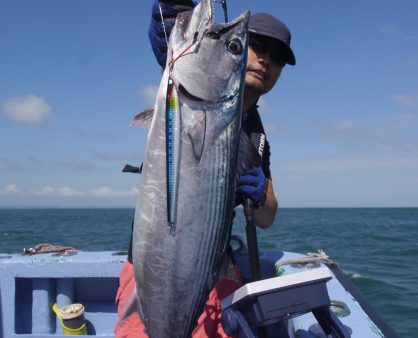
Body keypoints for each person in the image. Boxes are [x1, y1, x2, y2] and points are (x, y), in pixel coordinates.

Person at [115, 1, 296, 337]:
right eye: (253, 46)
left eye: (278, 57)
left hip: (212, 265)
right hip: (157, 263)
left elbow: (267, 217)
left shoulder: (257, 138)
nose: (266, 60)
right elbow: (167, 28)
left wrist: (260, 196)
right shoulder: (184, 86)